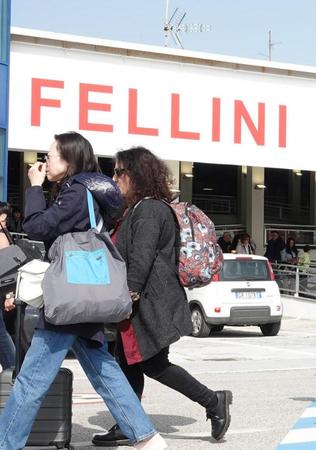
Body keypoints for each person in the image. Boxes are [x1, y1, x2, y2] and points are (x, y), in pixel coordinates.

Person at [0, 132, 167, 450]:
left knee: (32, 379)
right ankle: (147, 437)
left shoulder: (77, 191)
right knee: (104, 370)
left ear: (70, 158)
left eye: (51, 155)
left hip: (70, 296)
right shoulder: (84, 192)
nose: (45, 161)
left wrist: (35, 188)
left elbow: (37, 227)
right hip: (83, 293)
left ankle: (7, 443)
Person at [91, 146, 233, 446]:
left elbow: (140, 260)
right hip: (144, 302)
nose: (114, 178)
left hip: (149, 303)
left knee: (151, 364)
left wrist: (127, 297)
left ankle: (213, 401)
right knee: (128, 363)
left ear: (136, 175)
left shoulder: (149, 210)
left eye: (119, 172)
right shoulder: (137, 208)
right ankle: (127, 422)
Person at [0, 202, 16, 371]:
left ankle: (13, 371)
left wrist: (9, 295)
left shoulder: (2, 237)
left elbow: (8, 269)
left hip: (2, 292)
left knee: (1, 335)